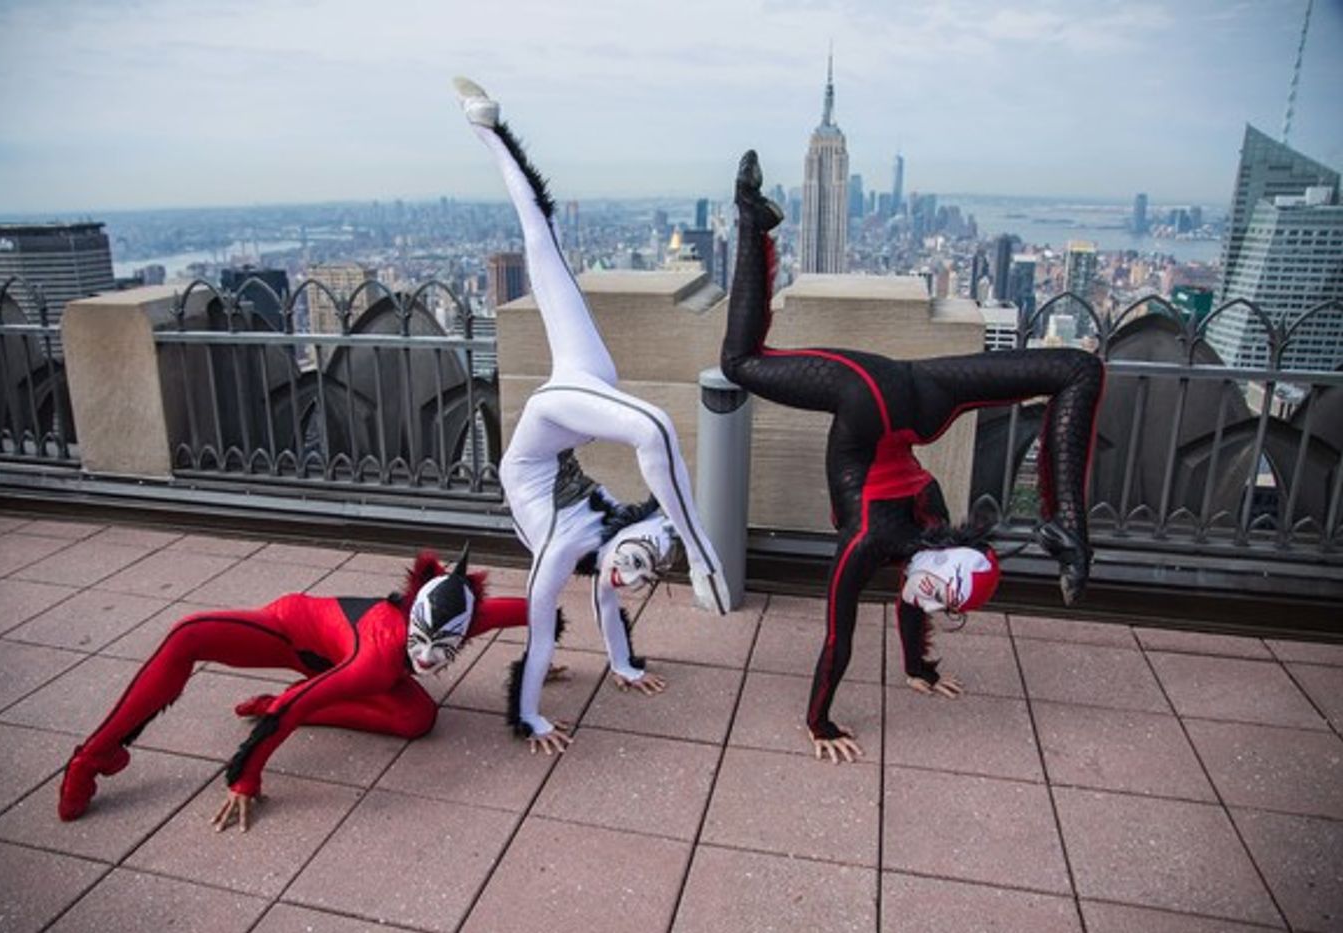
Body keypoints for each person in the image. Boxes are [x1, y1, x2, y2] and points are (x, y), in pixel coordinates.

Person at [723, 150, 1104, 763]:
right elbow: (836, 640)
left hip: (920, 399)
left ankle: (1069, 531)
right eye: (943, 595)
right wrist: (818, 723)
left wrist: (919, 667)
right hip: (868, 397)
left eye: (942, 605)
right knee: (738, 367)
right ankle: (750, 219)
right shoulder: (872, 541)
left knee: (1076, 369)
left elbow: (913, 594)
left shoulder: (931, 518)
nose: (928, 600)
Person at [454, 77, 730, 754]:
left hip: (542, 437)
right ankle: (489, 126)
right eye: (635, 564)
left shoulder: (563, 549)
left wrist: (533, 717)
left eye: (632, 575)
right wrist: (625, 658)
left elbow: (541, 626)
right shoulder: (611, 524)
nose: (624, 577)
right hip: (580, 396)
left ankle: (700, 556)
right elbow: (627, 559)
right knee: (541, 241)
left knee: (654, 427)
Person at [58, 547, 549, 831]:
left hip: (348, 665)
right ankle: (95, 755)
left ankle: (282, 697)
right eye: (422, 642)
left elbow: (539, 608)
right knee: (189, 634)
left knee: (419, 718)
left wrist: (542, 661)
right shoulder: (376, 660)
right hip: (293, 636)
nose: (426, 659)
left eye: (444, 646)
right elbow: (295, 708)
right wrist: (245, 777)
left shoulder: (468, 617)